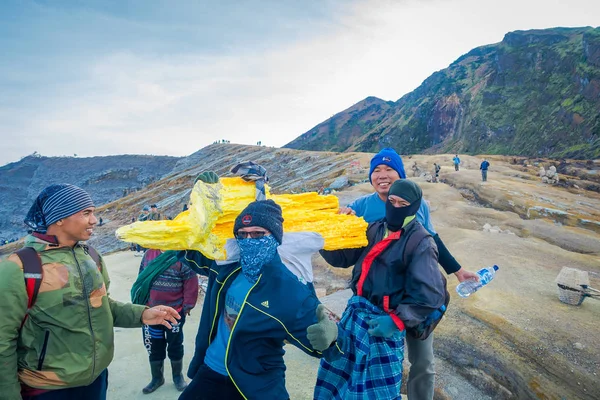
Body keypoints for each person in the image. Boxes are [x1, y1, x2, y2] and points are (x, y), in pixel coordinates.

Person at [0, 184, 181, 400]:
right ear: (59, 218)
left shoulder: (92, 257)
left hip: (96, 380)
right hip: (47, 389)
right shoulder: (20, 267)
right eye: (86, 213)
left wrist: (142, 314)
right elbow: (3, 340)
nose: (94, 220)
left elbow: (102, 306)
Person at [339, 148, 477, 400]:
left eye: (389, 169)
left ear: (399, 174)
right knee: (368, 358)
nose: (382, 175)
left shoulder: (417, 203)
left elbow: (432, 239)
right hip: (376, 301)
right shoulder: (359, 207)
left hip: (414, 297)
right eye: (376, 170)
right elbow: (344, 246)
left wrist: (456, 270)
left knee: (422, 360)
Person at [176, 199, 345, 400]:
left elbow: (327, 345)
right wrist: (201, 200)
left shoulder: (288, 289)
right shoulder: (226, 268)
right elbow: (185, 248)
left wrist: (332, 337)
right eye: (242, 234)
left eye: (258, 234)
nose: (249, 240)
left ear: (275, 236)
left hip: (256, 383)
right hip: (211, 369)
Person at [316, 179, 448, 399]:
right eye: (391, 201)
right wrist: (327, 234)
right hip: (358, 317)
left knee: (378, 391)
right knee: (343, 377)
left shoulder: (420, 241)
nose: (395, 207)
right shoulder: (375, 228)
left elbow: (431, 294)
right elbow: (343, 258)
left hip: (386, 323)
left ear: (414, 207)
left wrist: (397, 321)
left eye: (402, 204)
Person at [136, 248, 199, 394]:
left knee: (175, 345)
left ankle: (178, 377)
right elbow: (142, 278)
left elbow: (191, 282)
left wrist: (187, 306)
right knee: (153, 345)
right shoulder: (149, 254)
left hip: (174, 313)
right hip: (151, 312)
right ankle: (157, 378)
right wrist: (141, 304)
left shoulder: (182, 255)